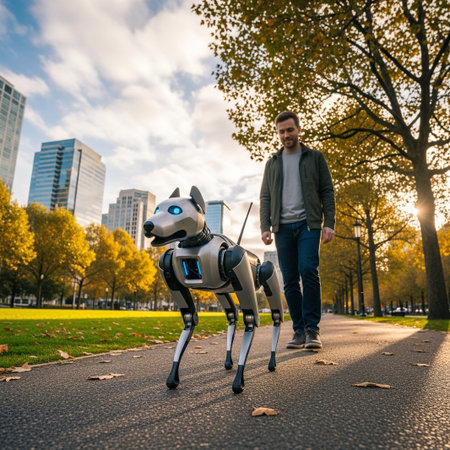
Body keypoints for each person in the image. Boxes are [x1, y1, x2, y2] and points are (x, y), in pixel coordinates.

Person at [260, 111, 335, 349]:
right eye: (281, 131)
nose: (285, 135)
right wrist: (265, 226)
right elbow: (265, 196)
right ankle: (299, 330)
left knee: (308, 270)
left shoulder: (314, 158)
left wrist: (329, 223)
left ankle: (313, 330)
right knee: (290, 280)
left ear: (299, 129)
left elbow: (327, 191)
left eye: (290, 130)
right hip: (282, 227)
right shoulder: (272, 162)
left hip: (308, 224)